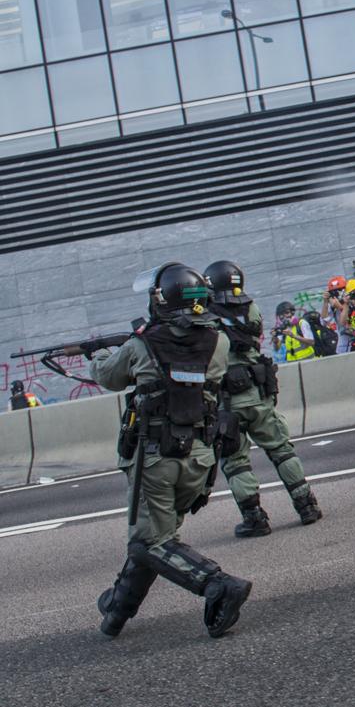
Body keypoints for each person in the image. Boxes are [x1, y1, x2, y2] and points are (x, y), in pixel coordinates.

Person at [88, 263, 251, 638]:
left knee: (151, 542)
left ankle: (218, 584)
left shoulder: (142, 343)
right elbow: (185, 357)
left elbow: (109, 376)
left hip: (156, 459)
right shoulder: (219, 341)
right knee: (153, 539)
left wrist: (97, 357)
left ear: (162, 299)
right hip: (199, 458)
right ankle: (116, 609)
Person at [204, 261, 321, 538]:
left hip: (226, 401)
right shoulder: (250, 309)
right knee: (281, 450)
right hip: (258, 394)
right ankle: (306, 506)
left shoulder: (206, 317)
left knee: (235, 461)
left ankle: (254, 519)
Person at [321, 276, 353, 354]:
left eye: (340, 290)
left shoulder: (353, 300)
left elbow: (350, 316)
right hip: (343, 339)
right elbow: (324, 320)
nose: (337, 294)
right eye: (333, 292)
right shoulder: (333, 305)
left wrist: (339, 306)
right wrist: (325, 302)